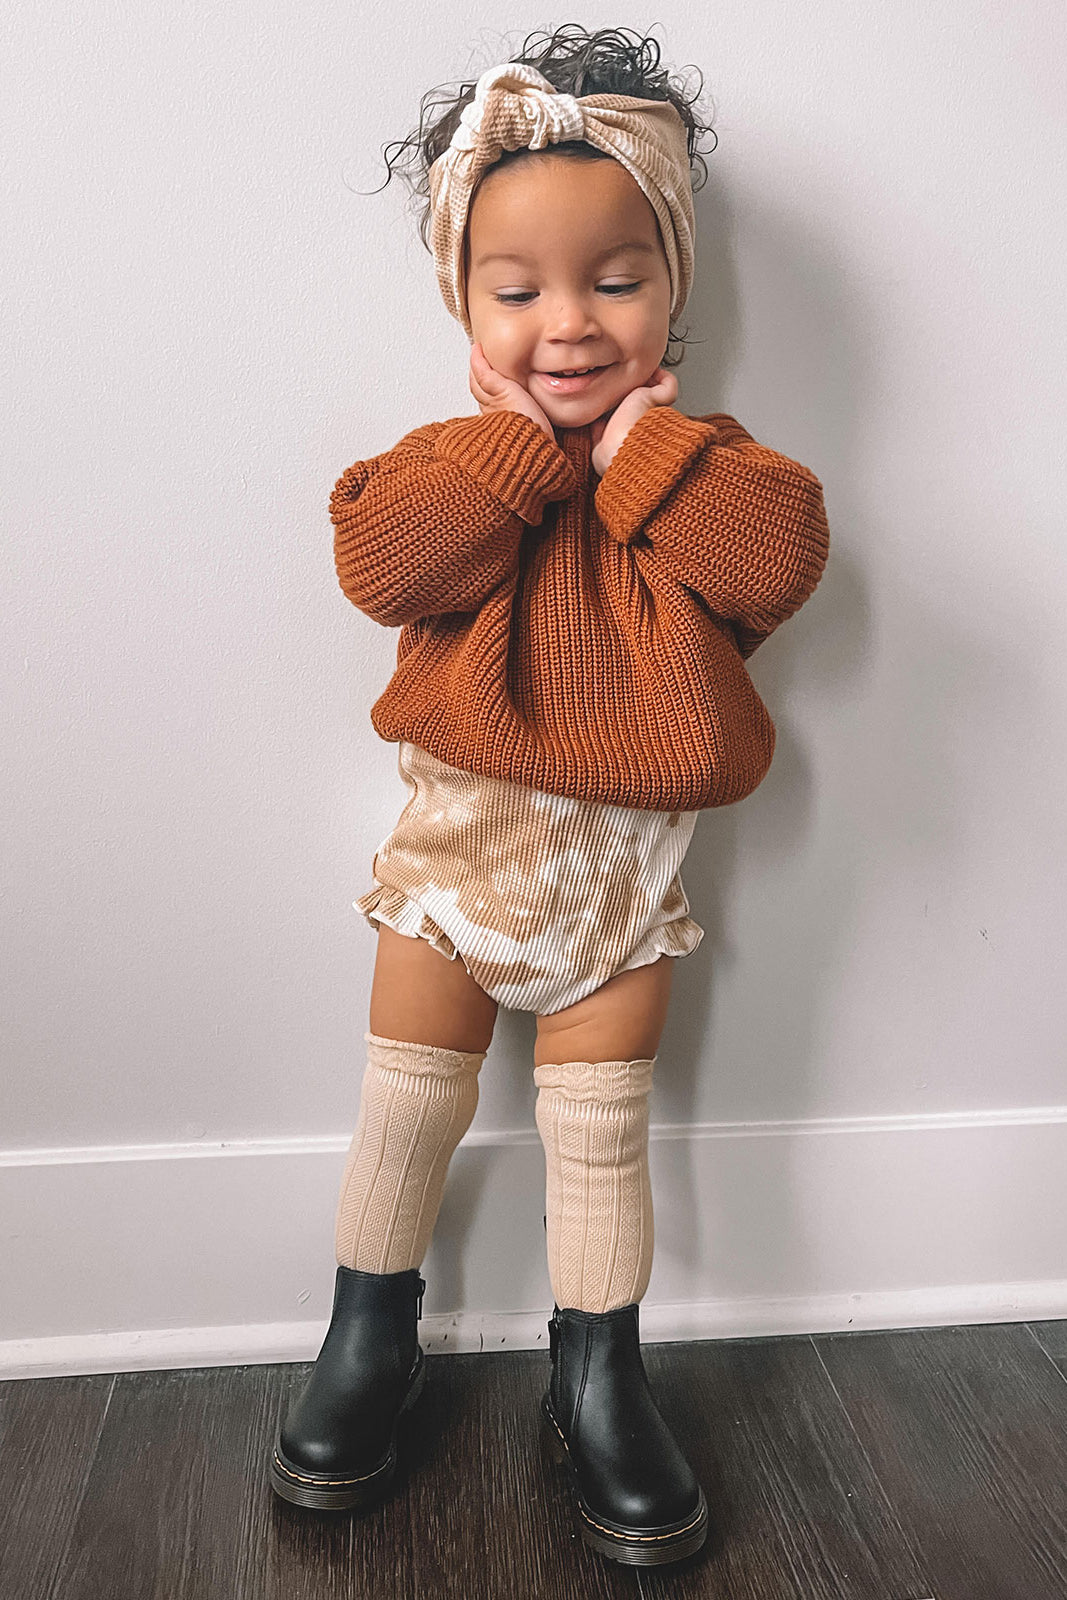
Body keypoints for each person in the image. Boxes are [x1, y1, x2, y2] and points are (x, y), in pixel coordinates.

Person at [268, 25, 830, 1569]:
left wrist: (643, 457)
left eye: (615, 282)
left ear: (676, 290)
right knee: (407, 1107)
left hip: (622, 881)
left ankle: (600, 1370)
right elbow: (381, 565)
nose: (567, 324)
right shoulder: (452, 464)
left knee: (598, 1135)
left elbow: (777, 565)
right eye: (517, 292)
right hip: (457, 856)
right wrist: (518, 456)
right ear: (465, 301)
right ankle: (369, 1337)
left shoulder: (717, 470)